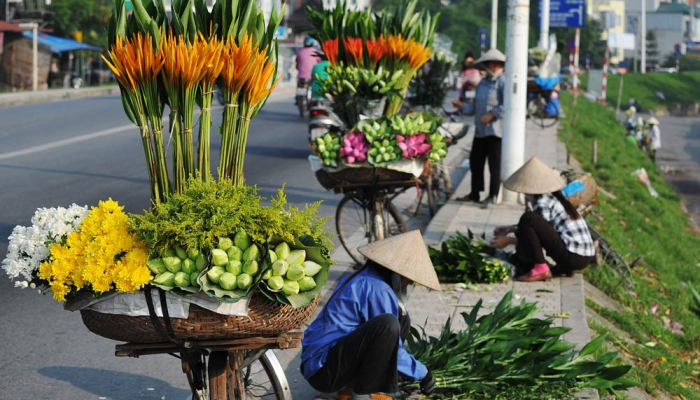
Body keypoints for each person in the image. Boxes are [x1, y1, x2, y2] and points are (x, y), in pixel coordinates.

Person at [301, 231, 440, 400]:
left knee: (401, 318)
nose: (409, 283)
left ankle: (352, 388)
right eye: (408, 278)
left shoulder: (367, 278)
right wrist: (423, 373)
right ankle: (361, 394)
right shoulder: (377, 289)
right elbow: (391, 344)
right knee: (388, 325)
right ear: (396, 272)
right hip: (322, 370)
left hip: (329, 361)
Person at [489, 157, 595, 282]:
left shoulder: (542, 202)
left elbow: (537, 236)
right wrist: (510, 228)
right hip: (584, 257)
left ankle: (541, 267)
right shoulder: (554, 197)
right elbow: (542, 228)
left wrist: (508, 240)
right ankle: (563, 268)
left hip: (573, 256)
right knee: (529, 221)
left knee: (528, 218)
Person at [454, 49, 506, 205]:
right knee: (475, 162)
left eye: (494, 64)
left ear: (498, 65)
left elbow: (507, 105)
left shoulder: (502, 82)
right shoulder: (483, 82)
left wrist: (492, 115)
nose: (492, 66)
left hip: (495, 131)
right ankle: (475, 193)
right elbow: (475, 108)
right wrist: (461, 106)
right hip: (480, 131)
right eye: (489, 63)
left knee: (494, 164)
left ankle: (493, 195)